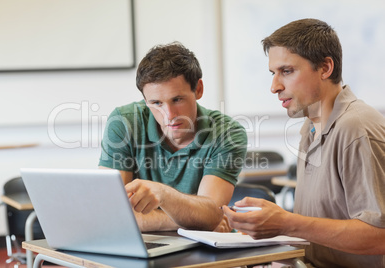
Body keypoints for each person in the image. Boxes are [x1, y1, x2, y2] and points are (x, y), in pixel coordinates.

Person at [223, 18, 385, 267]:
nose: (274, 86)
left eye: (286, 71)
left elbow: (379, 236)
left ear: (325, 68)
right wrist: (269, 225)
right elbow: (316, 227)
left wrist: (286, 222)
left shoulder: (356, 128)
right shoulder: (308, 127)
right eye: (273, 73)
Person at [99, 42, 247, 232]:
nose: (169, 114)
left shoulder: (228, 132)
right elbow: (110, 213)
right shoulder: (124, 122)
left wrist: (163, 194)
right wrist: (189, 222)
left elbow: (210, 214)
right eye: (156, 103)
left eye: (177, 99)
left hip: (205, 250)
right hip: (145, 245)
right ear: (145, 100)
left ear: (198, 89)